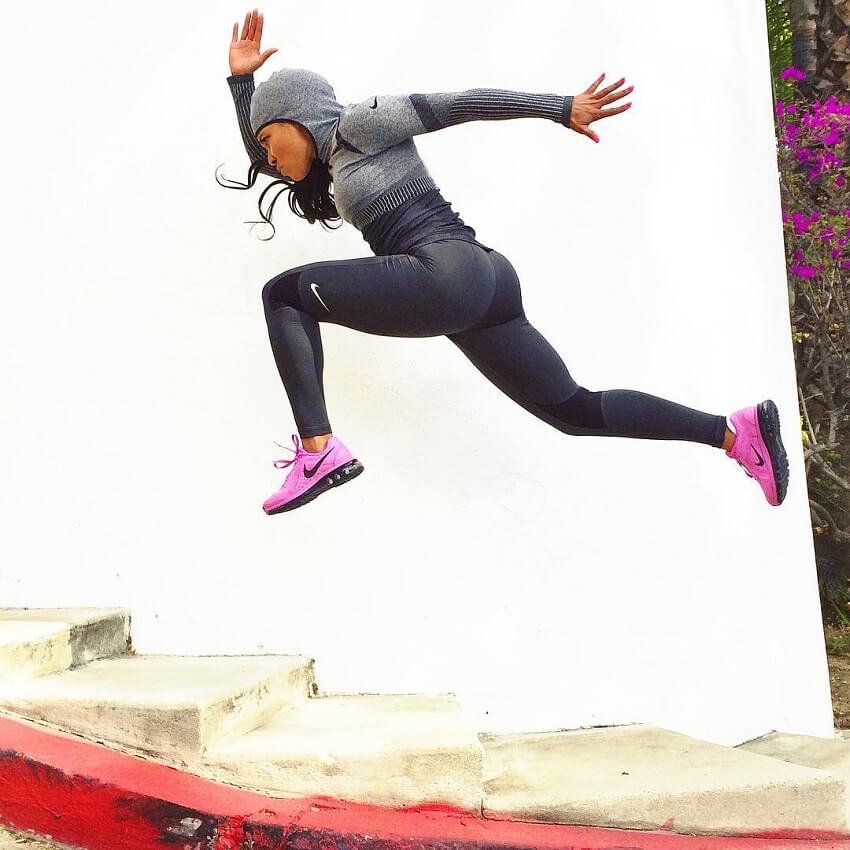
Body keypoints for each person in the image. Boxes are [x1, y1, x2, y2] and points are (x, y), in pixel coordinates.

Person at [218, 8, 789, 515]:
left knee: (283, 294)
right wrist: (242, 84)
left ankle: (318, 451)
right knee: (572, 411)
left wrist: (559, 108)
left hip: (446, 274)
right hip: (485, 284)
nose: (265, 155)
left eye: (269, 138)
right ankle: (734, 434)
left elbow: (458, 105)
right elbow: (260, 152)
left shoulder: (359, 123)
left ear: (297, 115)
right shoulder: (332, 163)